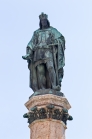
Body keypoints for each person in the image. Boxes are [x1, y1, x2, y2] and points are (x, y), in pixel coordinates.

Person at [22, 13, 65, 92]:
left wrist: (57, 42)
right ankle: (42, 88)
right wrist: (29, 52)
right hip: (38, 52)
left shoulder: (52, 30)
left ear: (47, 21)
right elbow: (31, 43)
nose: (43, 22)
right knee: (40, 71)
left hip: (48, 51)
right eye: (42, 21)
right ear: (40, 22)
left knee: (50, 67)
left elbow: (61, 39)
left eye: (44, 20)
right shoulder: (36, 32)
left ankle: (54, 85)